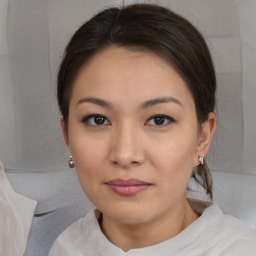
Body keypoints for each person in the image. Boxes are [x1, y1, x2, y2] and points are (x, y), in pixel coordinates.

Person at [49, 3, 256, 255]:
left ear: (202, 137)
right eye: (98, 120)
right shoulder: (66, 247)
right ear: (67, 135)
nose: (125, 154)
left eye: (159, 120)